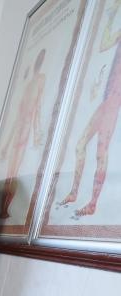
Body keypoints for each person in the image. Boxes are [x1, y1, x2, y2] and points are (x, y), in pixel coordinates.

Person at [59, 3, 121, 218]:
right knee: (81, 145)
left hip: (114, 102)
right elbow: (104, 44)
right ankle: (75, 192)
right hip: (106, 100)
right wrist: (111, 18)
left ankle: (93, 203)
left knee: (100, 152)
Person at [0, 49, 46, 220]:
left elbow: (36, 109)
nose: (39, 61)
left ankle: (4, 209)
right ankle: (3, 210)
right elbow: (22, 116)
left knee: (13, 173)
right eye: (39, 58)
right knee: (11, 173)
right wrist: (6, 145)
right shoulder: (33, 82)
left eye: (41, 58)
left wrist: (36, 134)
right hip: (20, 131)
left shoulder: (39, 80)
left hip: (23, 132)